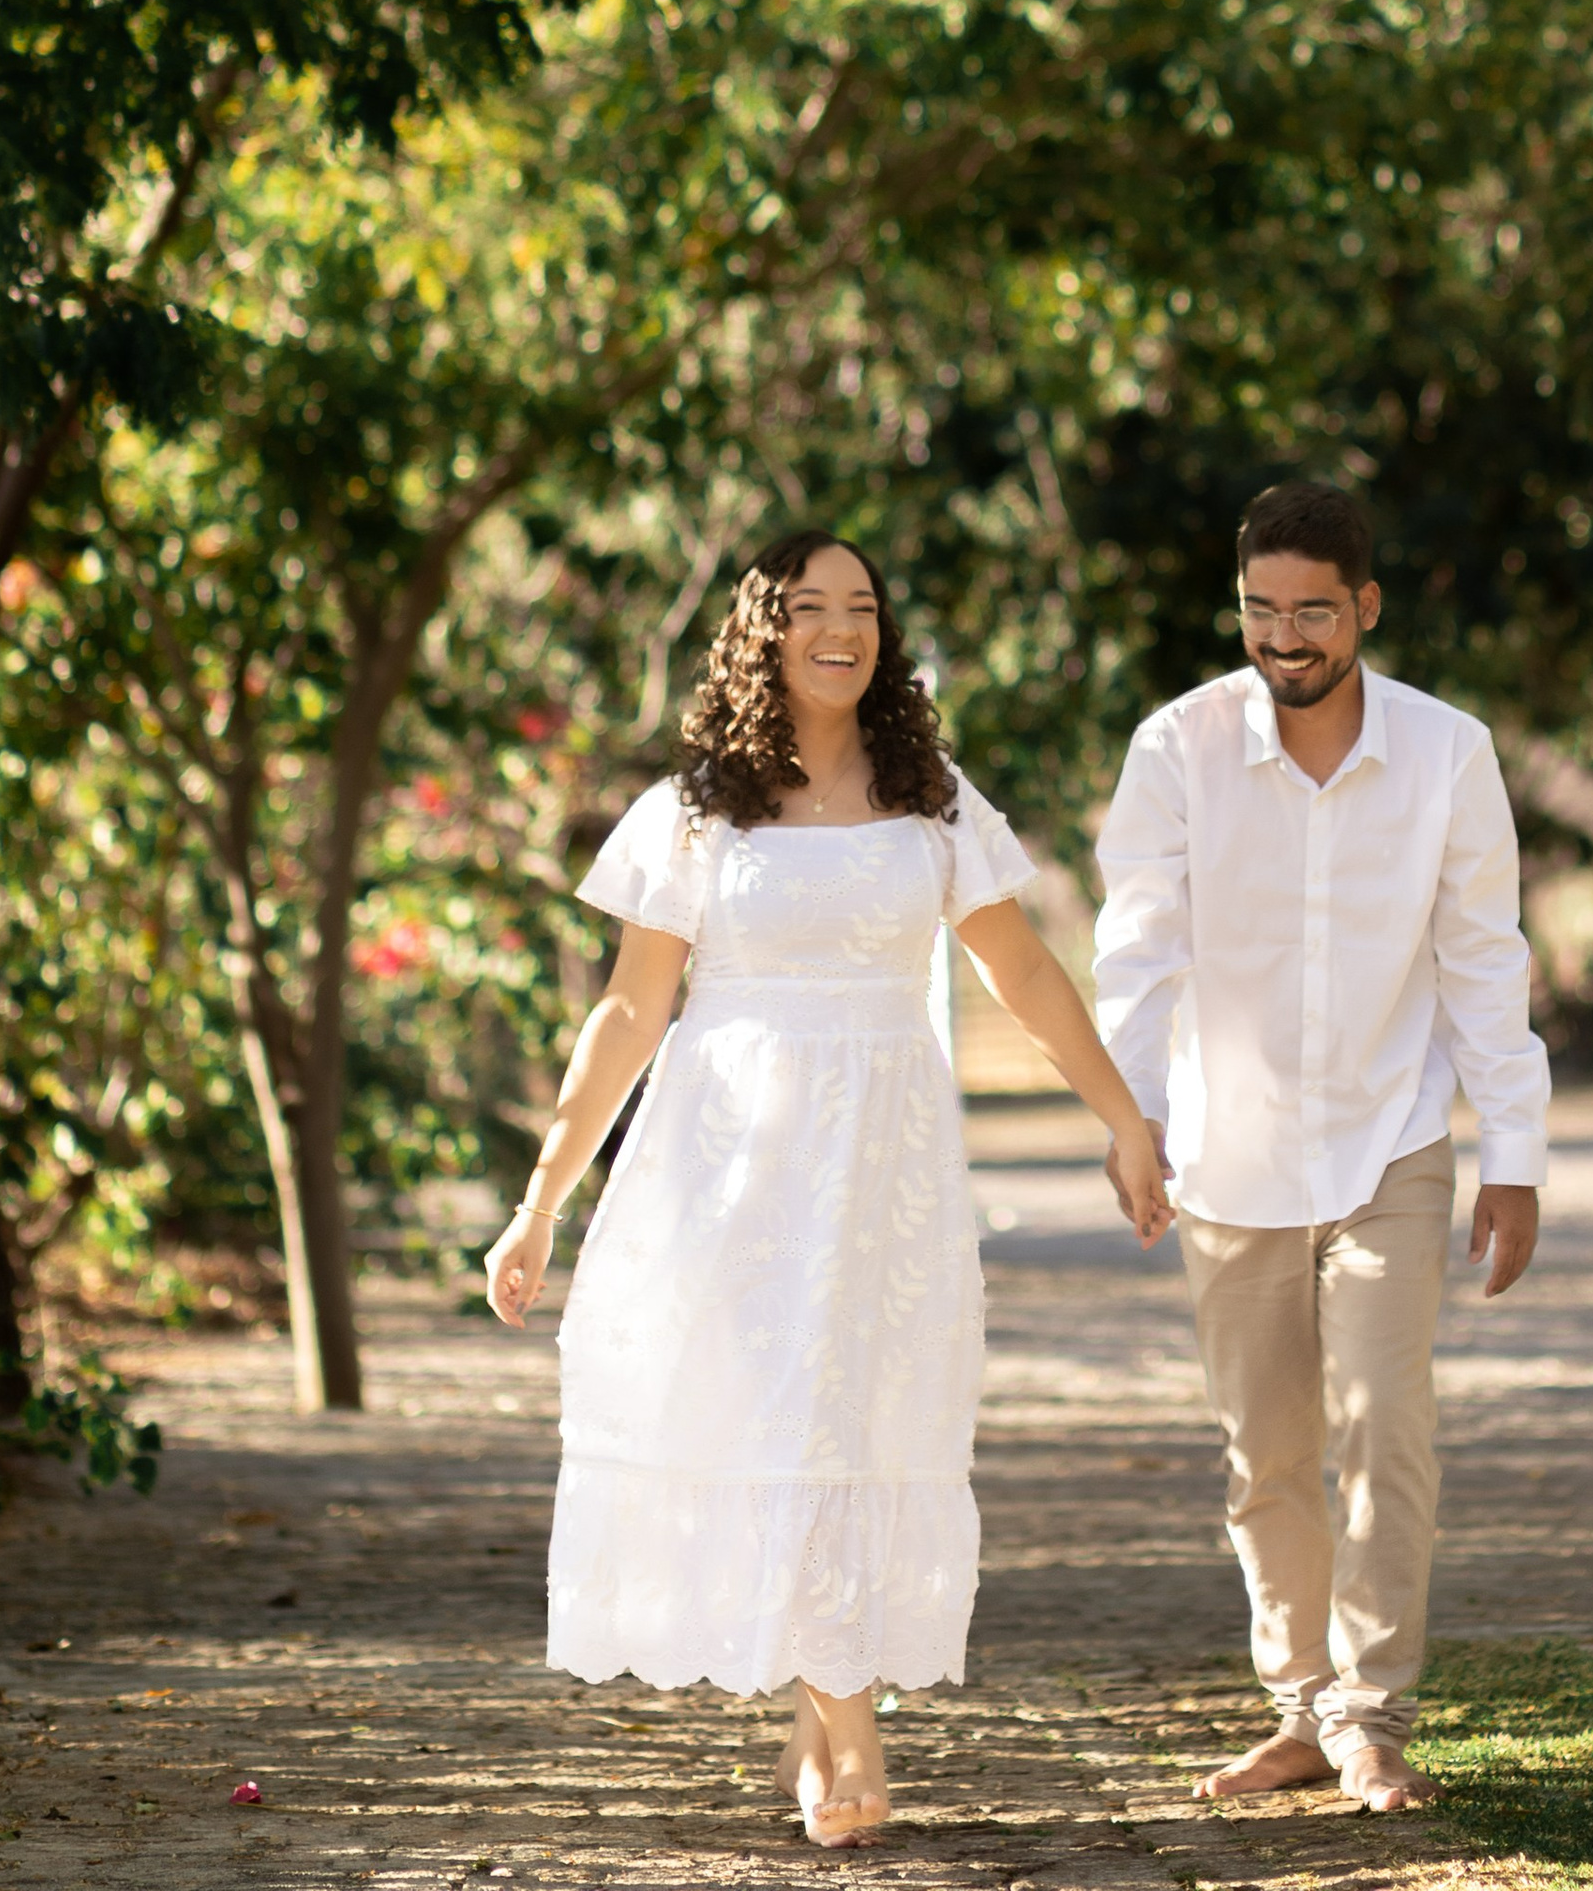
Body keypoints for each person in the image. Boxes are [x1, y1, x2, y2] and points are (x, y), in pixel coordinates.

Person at [484, 528, 1173, 1851]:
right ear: (764, 629)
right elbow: (630, 1012)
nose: (842, 628)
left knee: (855, 1423)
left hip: (887, 1170)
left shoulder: (934, 801)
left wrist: (1124, 1118)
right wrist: (542, 1202)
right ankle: (850, 1720)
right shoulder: (692, 808)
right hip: (727, 1156)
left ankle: (828, 1703)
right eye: (813, 607)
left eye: (864, 606)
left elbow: (1022, 976)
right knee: (782, 1417)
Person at [1091, 476, 1550, 1816]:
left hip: (1391, 1137)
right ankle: (1296, 1711)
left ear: (1365, 608)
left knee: (1385, 1425)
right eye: (1259, 612)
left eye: (1311, 613)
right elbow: (1135, 957)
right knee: (1268, 1451)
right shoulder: (1174, 751)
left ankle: (1370, 1716)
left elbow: (1482, 960)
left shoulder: (1448, 753)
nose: (1284, 639)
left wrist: (1512, 1155)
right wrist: (1136, 1123)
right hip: (1228, 1148)